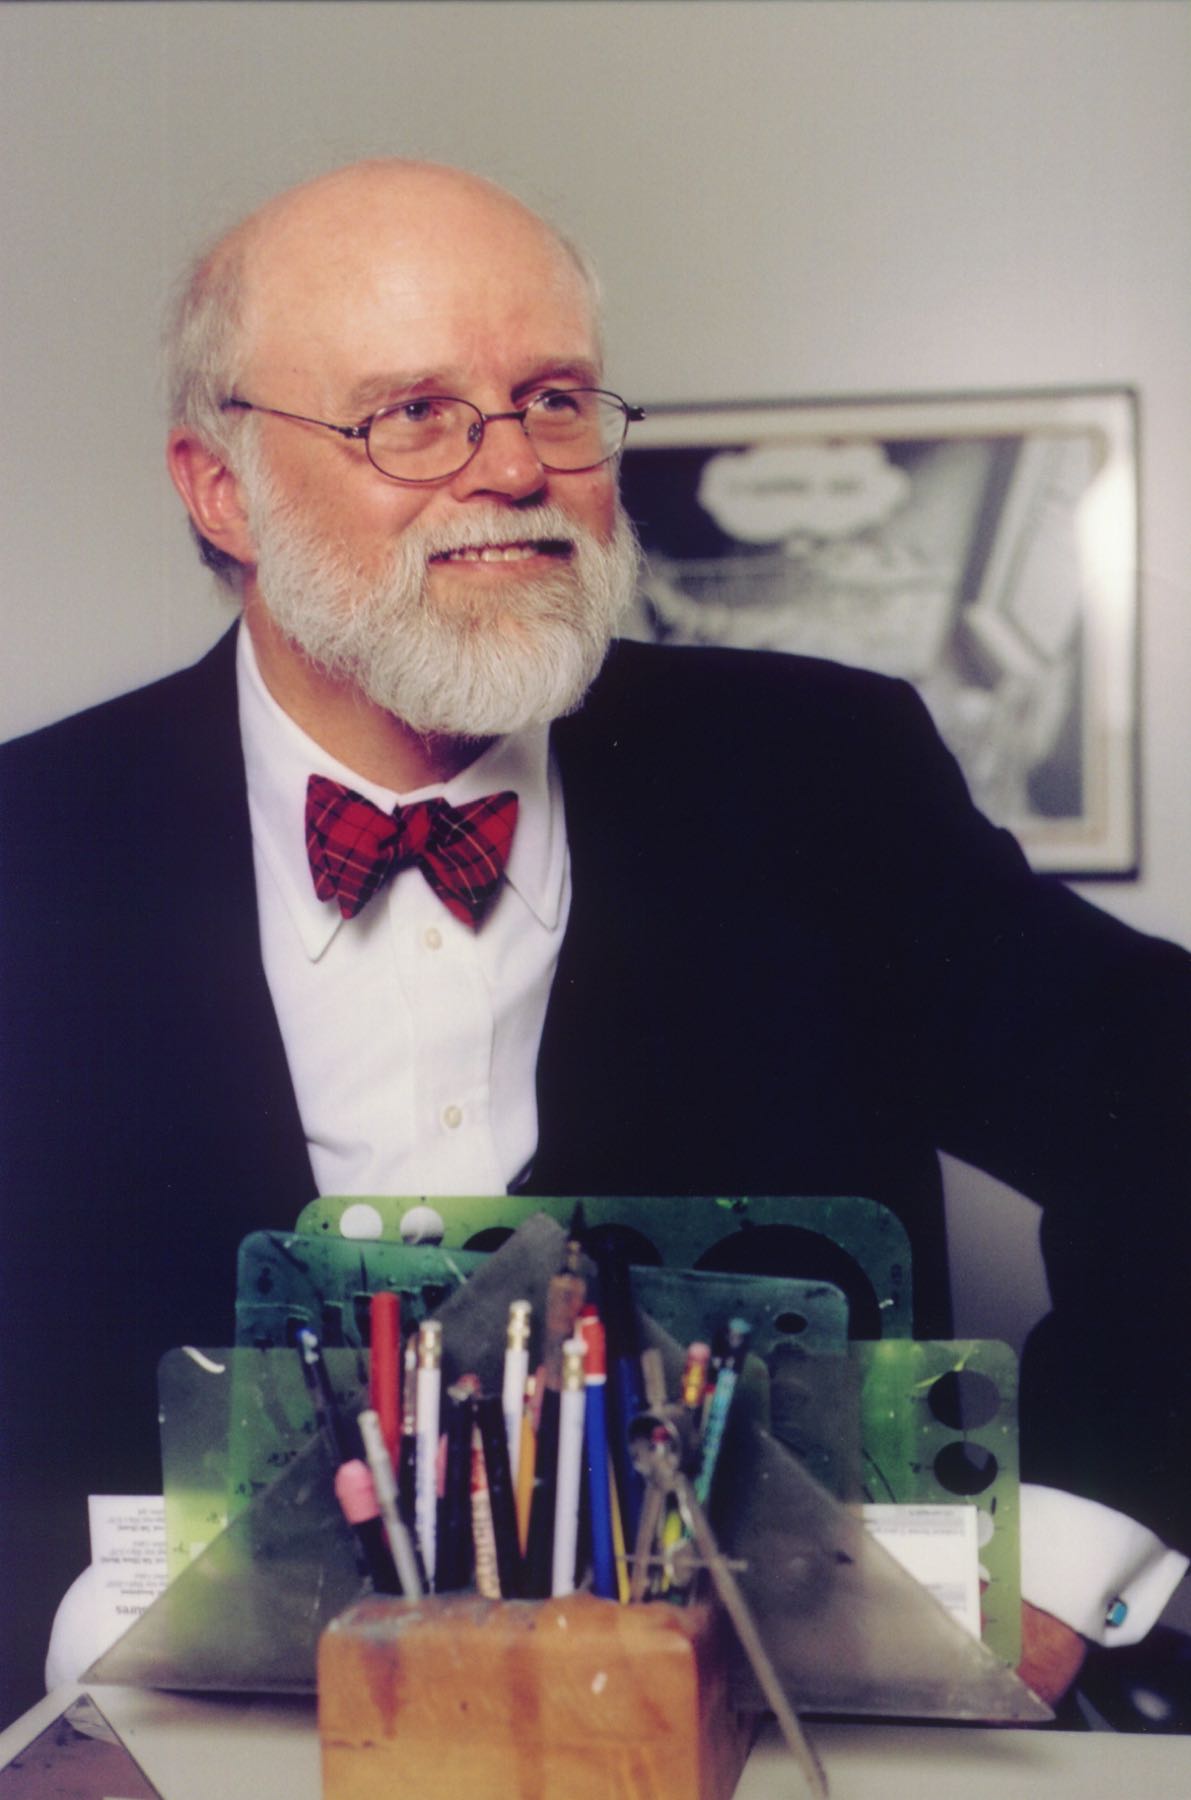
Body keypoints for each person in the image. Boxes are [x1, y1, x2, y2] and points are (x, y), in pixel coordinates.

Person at [1, 159, 1188, 1729]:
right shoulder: (32, 841)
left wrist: (1066, 1553)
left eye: (554, 398)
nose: (514, 468)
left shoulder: (822, 775)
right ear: (223, 487)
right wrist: (65, 1625)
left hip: (764, 1739)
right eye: (410, 414)